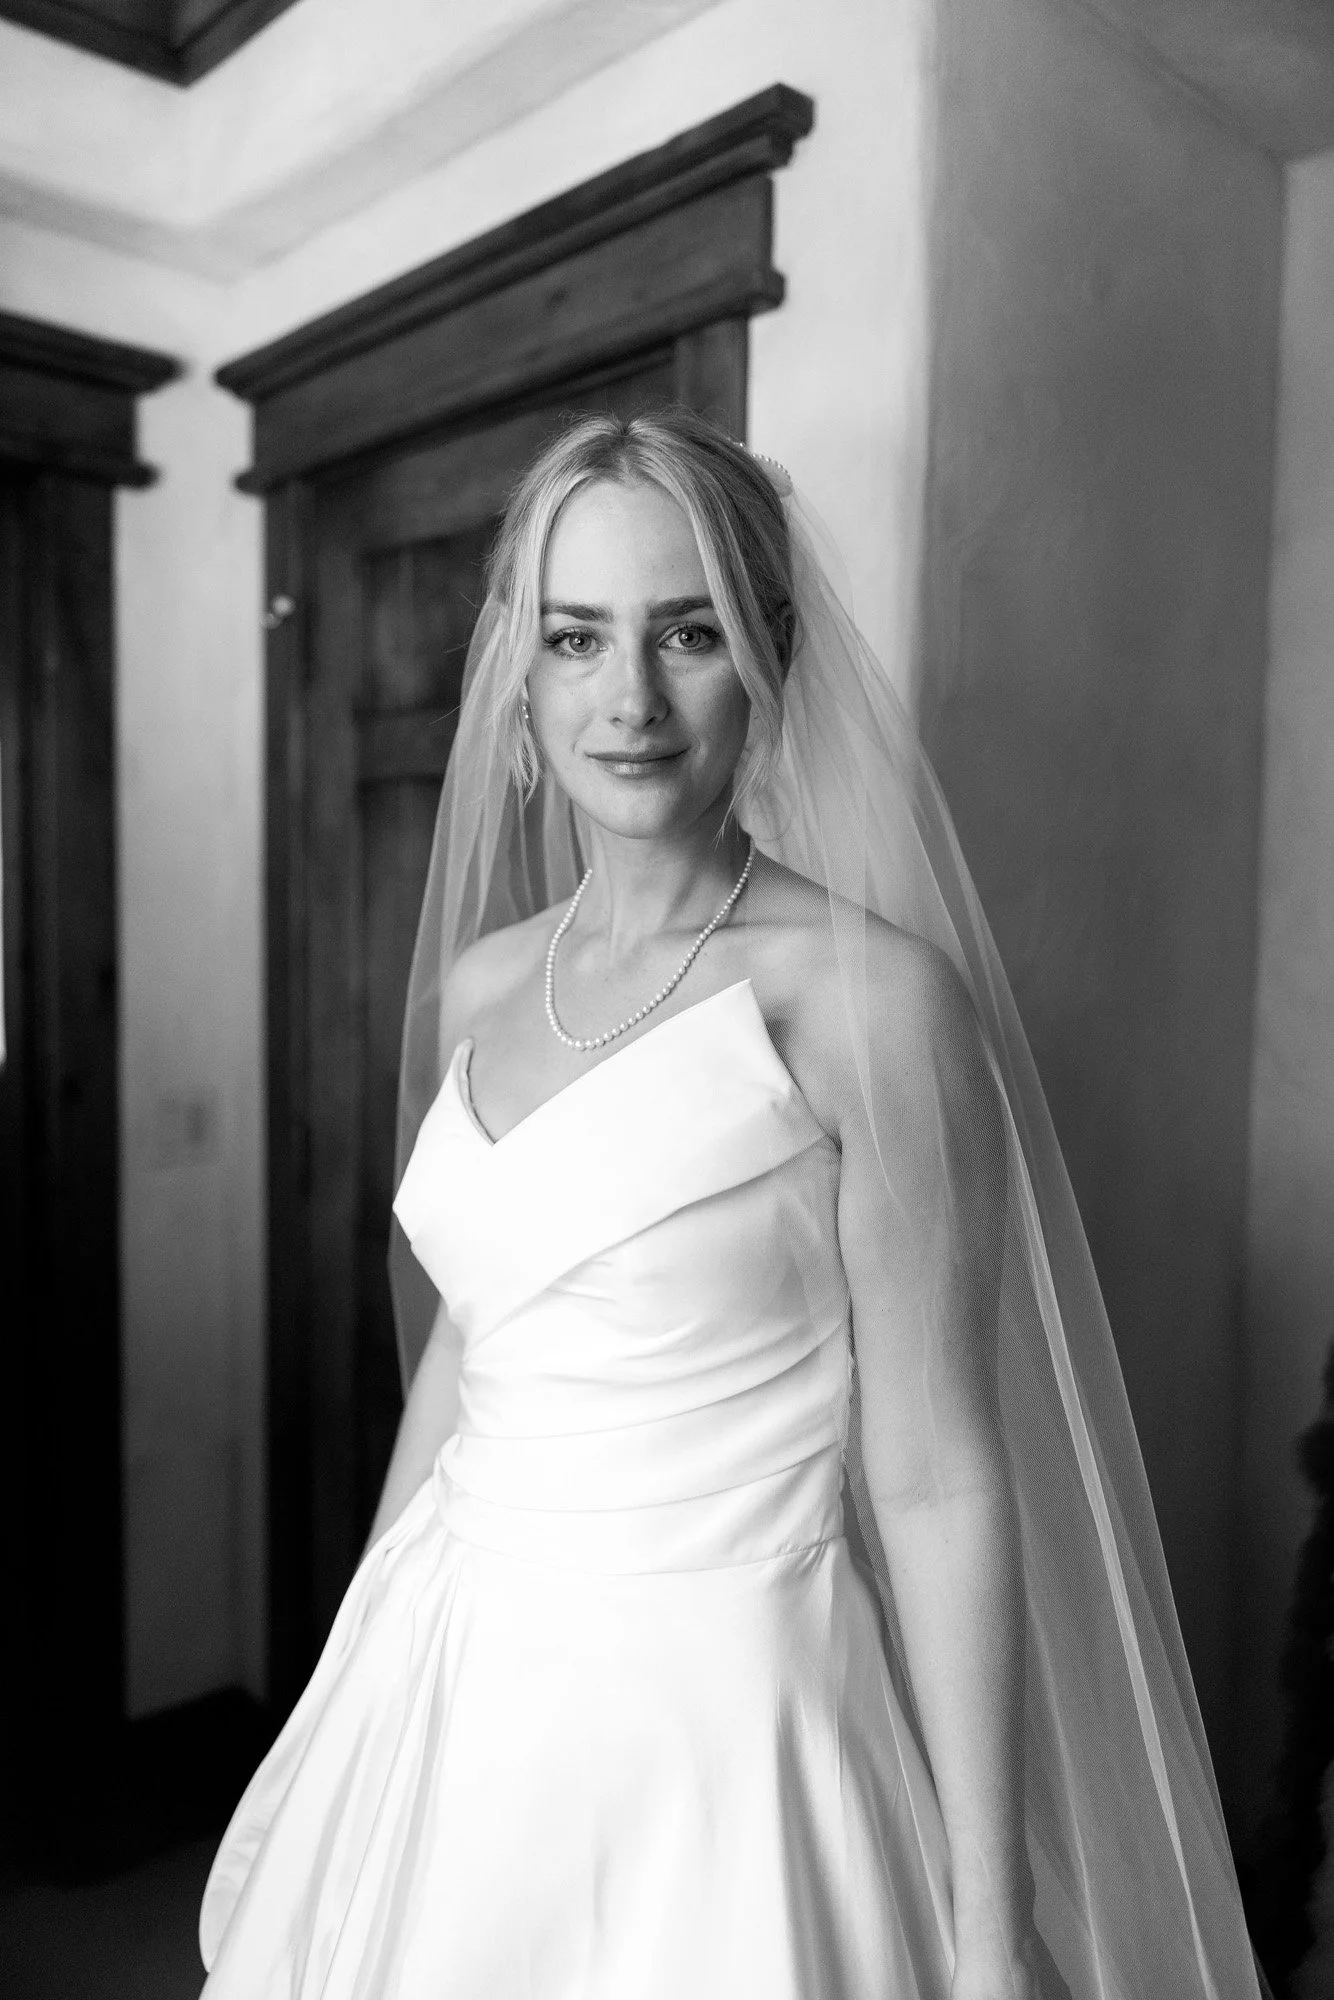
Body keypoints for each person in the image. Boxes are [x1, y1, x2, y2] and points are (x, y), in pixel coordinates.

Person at [198, 410, 1266, 1998]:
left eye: (686, 632)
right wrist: (359, 1657)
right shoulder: (488, 985)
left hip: (719, 1715)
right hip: (453, 1672)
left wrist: (985, 1931)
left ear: (766, 658)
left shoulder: (870, 1005)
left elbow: (936, 1475)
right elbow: (472, 1351)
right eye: (577, 639)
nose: (626, 699)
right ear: (522, 672)